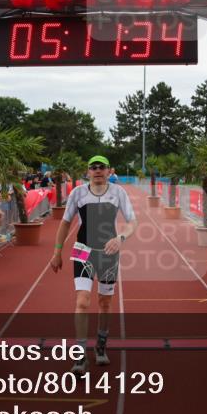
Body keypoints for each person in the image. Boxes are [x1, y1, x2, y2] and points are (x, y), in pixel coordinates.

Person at [51, 154, 137, 375]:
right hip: (83, 251)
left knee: (105, 302)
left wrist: (121, 239)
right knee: (82, 301)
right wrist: (57, 252)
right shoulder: (77, 193)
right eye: (93, 167)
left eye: (102, 167)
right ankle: (80, 357)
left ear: (109, 171)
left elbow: (131, 222)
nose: (97, 170)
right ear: (88, 171)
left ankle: (100, 345)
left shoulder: (118, 193)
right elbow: (65, 222)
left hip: (108, 254)